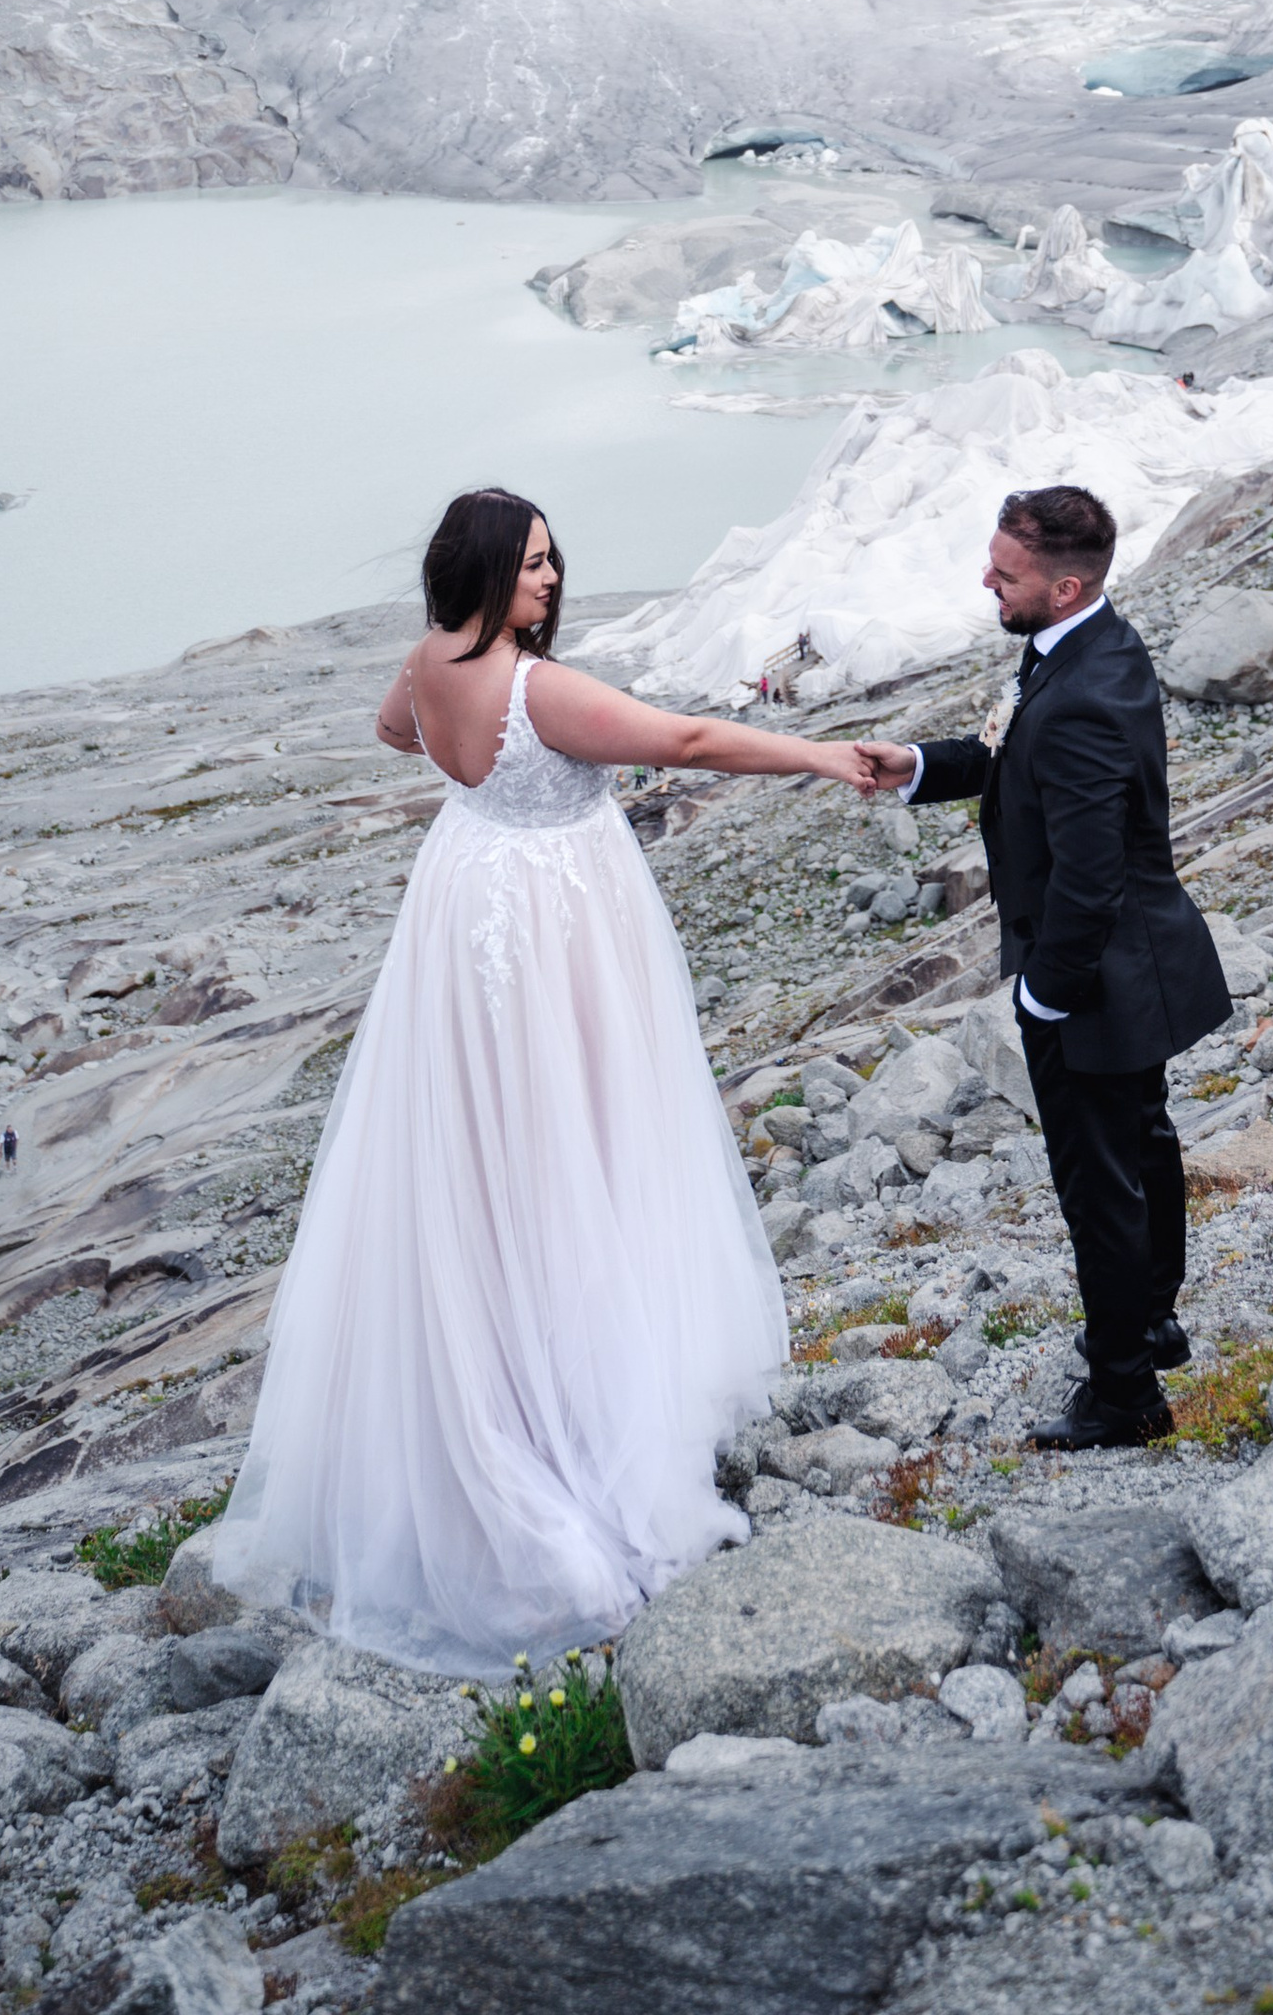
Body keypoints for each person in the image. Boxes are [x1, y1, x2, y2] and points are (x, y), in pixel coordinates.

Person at [213, 483, 887, 1672]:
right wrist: (825, 756)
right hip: (558, 922)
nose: (550, 578)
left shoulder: (429, 662)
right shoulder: (538, 689)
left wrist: (452, 743)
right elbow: (686, 740)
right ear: (480, 572)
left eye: (549, 559)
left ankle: (509, 1403)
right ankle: (583, 1434)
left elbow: (392, 728)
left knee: (488, 1162)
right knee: (587, 1144)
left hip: (464, 901)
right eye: (528, 564)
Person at [856, 481, 1230, 1449]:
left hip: (1094, 983)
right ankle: (1149, 1316)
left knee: (1099, 1182)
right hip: (1133, 966)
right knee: (1143, 1144)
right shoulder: (1080, 647)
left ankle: (1124, 1393)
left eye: (1004, 570)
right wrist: (916, 764)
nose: (986, 576)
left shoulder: (1082, 695)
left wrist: (1042, 994)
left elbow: (1091, 873)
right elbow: (1001, 747)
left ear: (1062, 585)